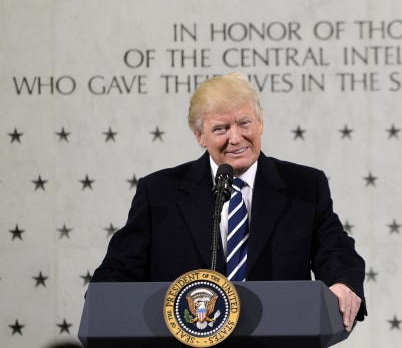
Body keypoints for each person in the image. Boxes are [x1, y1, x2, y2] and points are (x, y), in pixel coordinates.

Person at [91, 72, 367, 331]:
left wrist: (344, 284)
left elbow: (335, 250)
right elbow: (118, 270)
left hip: (281, 336)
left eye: (244, 123)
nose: (236, 138)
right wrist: (104, 305)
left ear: (260, 123)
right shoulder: (160, 193)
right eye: (221, 128)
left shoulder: (304, 187)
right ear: (200, 136)